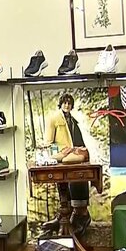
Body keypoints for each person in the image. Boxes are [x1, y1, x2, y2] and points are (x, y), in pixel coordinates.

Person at [41, 93, 91, 238]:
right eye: (65, 103)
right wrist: (59, 152)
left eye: (69, 103)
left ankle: (80, 214)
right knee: (64, 180)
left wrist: (79, 150)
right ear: (61, 104)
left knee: (78, 175)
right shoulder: (54, 119)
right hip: (62, 156)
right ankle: (65, 215)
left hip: (75, 155)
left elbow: (79, 141)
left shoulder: (73, 121)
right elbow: (48, 142)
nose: (67, 106)